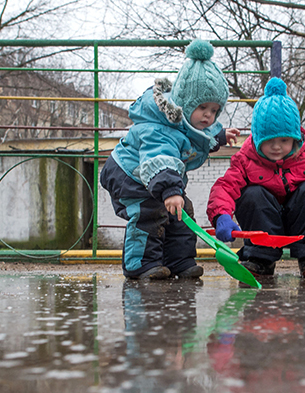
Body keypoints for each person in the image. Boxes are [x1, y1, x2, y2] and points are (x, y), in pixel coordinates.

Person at [100, 39, 240, 280]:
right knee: (150, 211)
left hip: (158, 178)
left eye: (215, 110)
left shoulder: (186, 122)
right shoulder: (160, 128)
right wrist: (169, 190)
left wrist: (219, 137)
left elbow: (199, 136)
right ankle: (140, 265)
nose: (208, 115)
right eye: (203, 107)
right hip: (129, 175)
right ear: (185, 103)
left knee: (182, 211)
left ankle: (180, 261)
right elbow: (160, 157)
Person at [207, 77, 305, 278]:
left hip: (303, 221)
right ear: (258, 139)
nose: (277, 147)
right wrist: (221, 215)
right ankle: (260, 258)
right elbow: (224, 187)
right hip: (264, 223)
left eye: (284, 140)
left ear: (295, 138)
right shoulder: (245, 159)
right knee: (251, 193)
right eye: (269, 142)